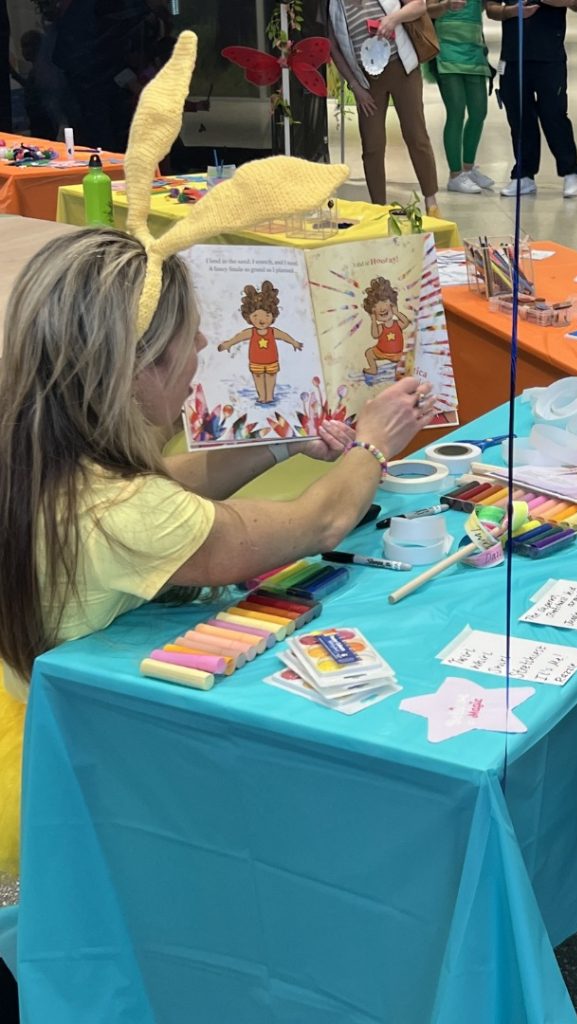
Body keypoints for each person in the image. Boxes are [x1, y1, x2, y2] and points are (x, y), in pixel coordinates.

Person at [0, 227, 436, 884]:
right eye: (189, 338)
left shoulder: (43, 454)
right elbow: (317, 522)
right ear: (137, 367)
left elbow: (167, 485)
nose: (204, 347)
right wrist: (371, 446)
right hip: (74, 771)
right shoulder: (124, 518)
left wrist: (282, 444)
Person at [328, 0, 441, 213]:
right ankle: (378, 208)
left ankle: (431, 201)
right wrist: (355, 85)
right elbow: (333, 46)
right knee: (372, 145)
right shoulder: (333, 5)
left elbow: (419, 5)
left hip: (402, 68)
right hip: (366, 80)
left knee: (416, 135)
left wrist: (392, 19)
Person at [485, 0, 577, 199]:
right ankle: (524, 175)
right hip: (513, 56)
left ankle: (570, 171)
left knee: (554, 114)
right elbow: (491, 9)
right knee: (519, 116)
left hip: (549, 55)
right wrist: (512, 11)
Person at [424, 0, 494, 195]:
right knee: (456, 111)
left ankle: (468, 168)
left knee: (479, 111)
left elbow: (487, 7)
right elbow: (428, 9)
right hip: (446, 51)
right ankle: (455, 175)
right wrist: (446, 5)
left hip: (474, 51)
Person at [218, 281, 305, 404]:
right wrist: (228, 344)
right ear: (249, 317)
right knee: (258, 378)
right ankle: (261, 396)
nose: (261, 320)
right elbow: (238, 338)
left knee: (270, 377)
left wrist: (294, 343)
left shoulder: (273, 331)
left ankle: (269, 396)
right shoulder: (251, 332)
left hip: (272, 360)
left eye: (267, 315)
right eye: (256, 316)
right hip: (256, 361)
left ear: (273, 316)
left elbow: (284, 336)